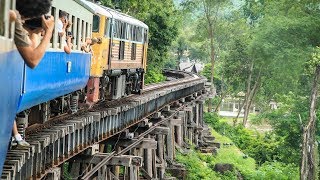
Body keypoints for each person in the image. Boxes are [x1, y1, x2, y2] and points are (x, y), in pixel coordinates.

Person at [9, 0, 54, 147]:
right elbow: (33, 59)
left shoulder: (13, 17)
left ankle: (16, 136)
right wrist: (48, 32)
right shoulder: (13, 18)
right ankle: (16, 137)